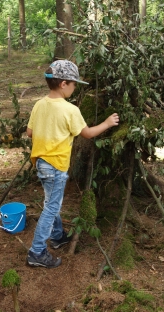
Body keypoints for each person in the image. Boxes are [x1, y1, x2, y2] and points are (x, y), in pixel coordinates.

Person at [26, 60, 119, 268]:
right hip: (56, 165)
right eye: (74, 84)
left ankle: (57, 237)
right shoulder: (70, 110)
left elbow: (30, 132)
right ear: (63, 84)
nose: (75, 88)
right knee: (51, 208)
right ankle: (37, 251)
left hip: (41, 163)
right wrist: (107, 123)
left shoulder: (39, 104)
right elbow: (86, 133)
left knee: (52, 202)